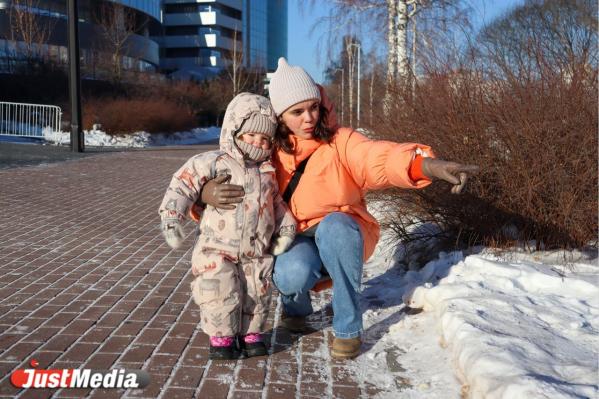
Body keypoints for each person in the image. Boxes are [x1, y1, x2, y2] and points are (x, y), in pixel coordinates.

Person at [200, 58, 478, 360]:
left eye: (313, 107)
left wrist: (427, 165)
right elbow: (226, 173)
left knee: (337, 226)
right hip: (294, 234)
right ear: (280, 117)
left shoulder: (340, 141)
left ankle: (348, 327)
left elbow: (379, 158)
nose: (308, 117)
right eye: (297, 112)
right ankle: (296, 307)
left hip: (342, 229)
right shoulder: (269, 151)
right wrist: (206, 193)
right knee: (291, 270)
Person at [158, 93, 296, 360]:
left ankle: (250, 334)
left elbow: (276, 203)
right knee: (220, 287)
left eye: (265, 139)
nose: (258, 142)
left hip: (255, 249)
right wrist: (172, 217)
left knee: (256, 290)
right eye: (251, 136)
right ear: (235, 131)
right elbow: (183, 184)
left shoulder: (267, 172)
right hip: (217, 248)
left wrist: (287, 228)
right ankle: (221, 336)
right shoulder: (213, 161)